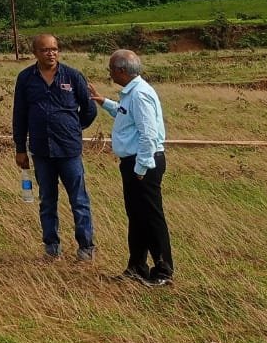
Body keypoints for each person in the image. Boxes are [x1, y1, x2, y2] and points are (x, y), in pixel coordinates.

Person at [89, 49, 174, 286]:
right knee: (136, 217)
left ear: (122, 71)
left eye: (111, 69)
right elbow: (125, 114)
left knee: (151, 217)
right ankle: (137, 267)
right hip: (135, 163)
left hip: (143, 163)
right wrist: (104, 102)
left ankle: (163, 272)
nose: (110, 73)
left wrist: (141, 168)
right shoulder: (131, 93)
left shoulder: (140, 95)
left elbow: (148, 134)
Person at [13, 33, 98, 261]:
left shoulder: (72, 76)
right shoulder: (25, 79)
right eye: (45, 50)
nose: (50, 53)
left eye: (54, 49)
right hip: (41, 151)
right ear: (35, 53)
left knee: (78, 200)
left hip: (69, 150)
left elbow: (89, 110)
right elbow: (19, 114)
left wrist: (73, 127)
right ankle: (52, 248)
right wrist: (20, 147)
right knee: (47, 201)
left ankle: (86, 248)